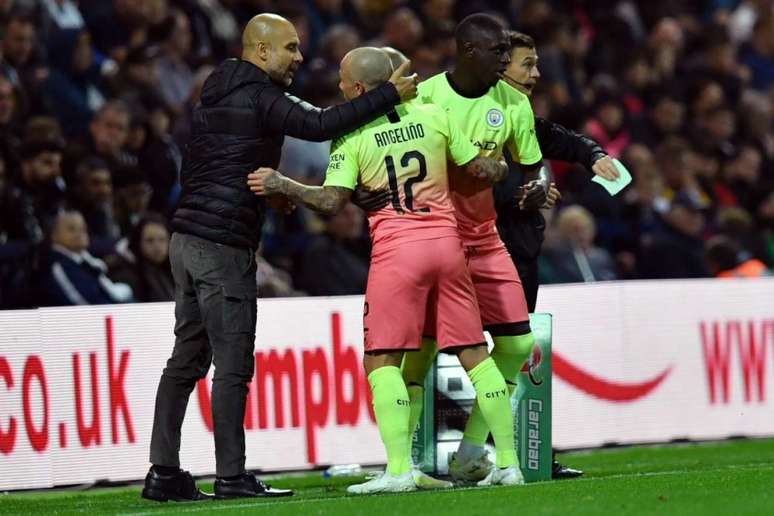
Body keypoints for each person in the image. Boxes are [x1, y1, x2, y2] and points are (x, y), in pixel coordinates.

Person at [142, 13, 417, 503]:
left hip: (186, 238)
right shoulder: (261, 94)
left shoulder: (215, 89)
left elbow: (219, 159)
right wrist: (388, 95)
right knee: (231, 365)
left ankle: (163, 473)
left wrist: (270, 193)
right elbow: (318, 124)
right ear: (261, 51)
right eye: (289, 48)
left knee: (185, 360)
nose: (299, 57)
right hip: (222, 246)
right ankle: (231, 477)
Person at [248, 46, 520, 492]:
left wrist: (284, 184)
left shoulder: (353, 134)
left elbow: (332, 202)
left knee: (381, 360)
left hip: (398, 251)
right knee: (474, 351)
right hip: (448, 245)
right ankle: (507, 464)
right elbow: (477, 167)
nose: (338, 86)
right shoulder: (433, 114)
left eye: (342, 79)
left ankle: (397, 471)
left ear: (357, 88)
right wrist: (502, 165)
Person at [395, 14, 544, 485]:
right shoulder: (426, 96)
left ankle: (471, 451)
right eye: (498, 51)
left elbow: (533, 166)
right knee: (420, 353)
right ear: (468, 51)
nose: (506, 59)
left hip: (484, 238)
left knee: (519, 343)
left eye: (507, 51)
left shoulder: (514, 103)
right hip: (433, 236)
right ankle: (403, 466)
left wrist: (535, 188)